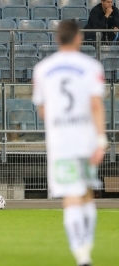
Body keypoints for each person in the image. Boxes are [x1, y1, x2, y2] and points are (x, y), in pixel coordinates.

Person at [33, 20, 107, 266]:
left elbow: (42, 110)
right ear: (79, 38)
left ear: (57, 39)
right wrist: (101, 139)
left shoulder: (42, 69)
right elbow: (96, 105)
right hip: (85, 140)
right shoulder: (91, 66)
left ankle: (81, 255)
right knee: (86, 196)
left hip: (60, 143)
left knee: (70, 199)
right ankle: (87, 246)